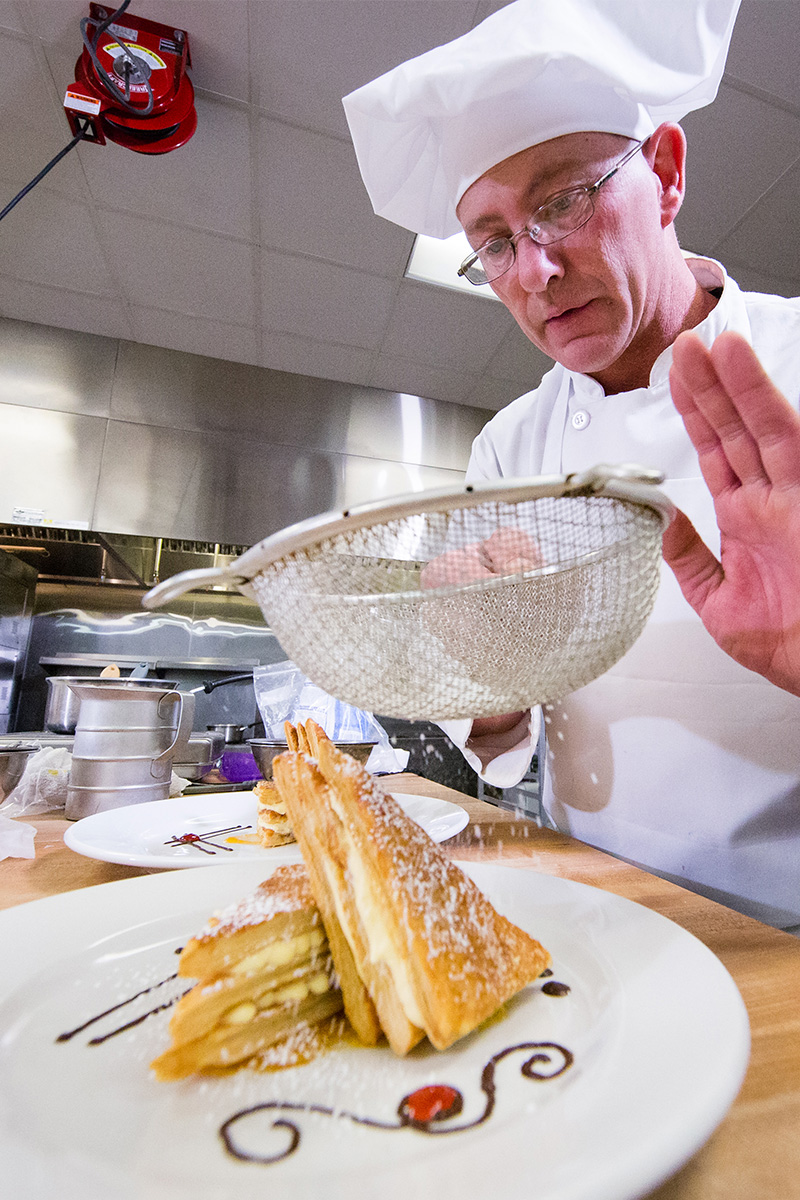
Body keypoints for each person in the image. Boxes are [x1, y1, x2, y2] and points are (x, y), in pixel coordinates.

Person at [343, 0, 800, 929]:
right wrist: (490, 686)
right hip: (583, 919)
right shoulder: (509, 447)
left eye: (563, 200)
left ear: (665, 174)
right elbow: (502, 728)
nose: (534, 271)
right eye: (494, 241)